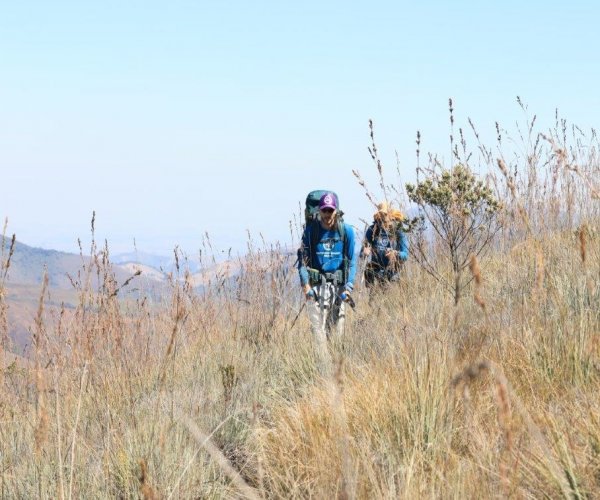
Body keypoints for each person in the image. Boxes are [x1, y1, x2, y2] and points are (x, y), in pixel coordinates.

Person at [298, 192, 357, 345]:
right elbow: (302, 262)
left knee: (336, 337)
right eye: (324, 210)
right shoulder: (311, 232)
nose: (327, 214)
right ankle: (322, 368)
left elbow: (352, 261)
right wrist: (306, 286)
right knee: (319, 336)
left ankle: (336, 367)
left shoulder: (347, 231)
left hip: (339, 290)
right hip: (316, 289)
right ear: (319, 211)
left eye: (330, 210)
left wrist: (348, 287)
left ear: (336, 210)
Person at [362, 201, 408, 289]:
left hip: (393, 275)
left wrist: (395, 254)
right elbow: (363, 250)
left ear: (390, 214)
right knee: (374, 301)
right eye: (381, 214)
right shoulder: (372, 230)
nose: (382, 217)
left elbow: (405, 255)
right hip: (376, 275)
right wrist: (364, 251)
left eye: (385, 214)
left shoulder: (398, 230)